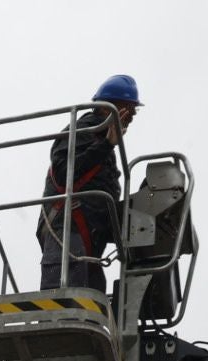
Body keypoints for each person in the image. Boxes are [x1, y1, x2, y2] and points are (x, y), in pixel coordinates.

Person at [38, 74, 142, 293]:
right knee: (64, 304)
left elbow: (103, 190)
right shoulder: (84, 129)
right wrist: (105, 145)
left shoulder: (106, 140)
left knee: (92, 304)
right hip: (67, 230)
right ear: (107, 107)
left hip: (88, 240)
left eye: (134, 111)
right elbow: (64, 170)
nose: (131, 116)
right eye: (128, 109)